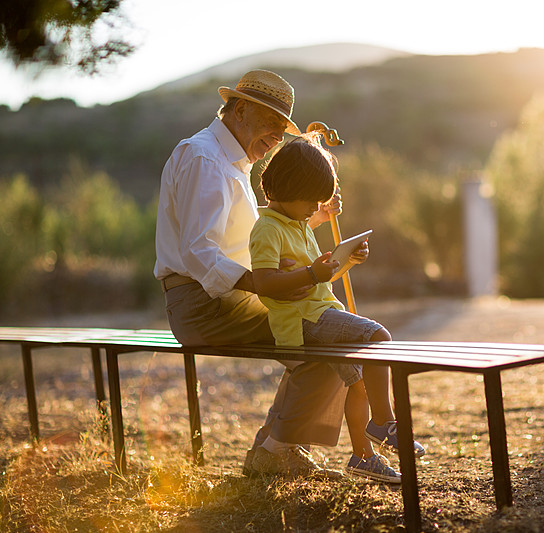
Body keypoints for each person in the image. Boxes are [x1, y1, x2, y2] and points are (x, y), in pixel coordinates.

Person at [154, 69, 347, 477]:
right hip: (203, 305)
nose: (279, 138)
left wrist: (308, 216)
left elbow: (248, 239)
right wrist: (259, 283)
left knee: (326, 332)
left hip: (222, 299)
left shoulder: (229, 160)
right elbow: (199, 251)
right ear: (240, 110)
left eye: (283, 129)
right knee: (326, 336)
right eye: (274, 125)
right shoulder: (204, 157)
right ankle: (275, 451)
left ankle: (276, 448)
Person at [249, 134, 425, 483]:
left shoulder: (297, 225)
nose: (316, 208)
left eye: (319, 201)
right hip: (302, 320)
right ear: (284, 189)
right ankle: (383, 421)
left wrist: (345, 263)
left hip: (317, 312)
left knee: (357, 381)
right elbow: (264, 284)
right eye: (310, 200)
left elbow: (316, 279)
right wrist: (314, 272)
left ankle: (362, 455)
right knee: (377, 335)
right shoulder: (267, 229)